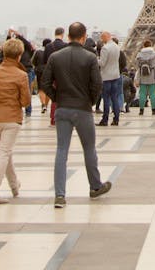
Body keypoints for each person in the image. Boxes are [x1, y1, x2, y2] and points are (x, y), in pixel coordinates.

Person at [39, 21, 111, 208]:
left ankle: (60, 195)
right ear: (84, 37)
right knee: (89, 148)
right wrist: (90, 101)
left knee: (61, 150)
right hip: (83, 109)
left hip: (63, 108)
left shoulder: (55, 57)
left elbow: (45, 83)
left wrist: (57, 99)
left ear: (69, 36)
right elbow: (97, 84)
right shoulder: (89, 57)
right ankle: (95, 186)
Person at [0, 37, 30, 205]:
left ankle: (14, 186)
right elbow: (25, 101)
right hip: (12, 118)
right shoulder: (21, 75)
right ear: (19, 55)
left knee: (6, 151)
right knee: (4, 153)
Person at [43, 27, 67, 125]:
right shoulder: (65, 45)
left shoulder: (49, 46)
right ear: (62, 34)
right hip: (64, 74)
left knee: (54, 98)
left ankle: (53, 118)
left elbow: (45, 61)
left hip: (52, 74)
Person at [97, 31, 121, 127]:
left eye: (102, 38)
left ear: (105, 37)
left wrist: (95, 59)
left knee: (106, 98)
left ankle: (105, 119)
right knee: (114, 98)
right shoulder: (116, 46)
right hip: (115, 75)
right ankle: (116, 119)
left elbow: (102, 63)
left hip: (106, 76)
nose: (101, 40)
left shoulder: (105, 48)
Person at [135, 39, 155, 115]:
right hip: (152, 76)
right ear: (151, 45)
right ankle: (153, 110)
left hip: (143, 76)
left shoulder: (139, 55)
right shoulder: (154, 54)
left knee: (142, 93)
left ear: (143, 46)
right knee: (152, 94)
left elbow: (137, 66)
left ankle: (141, 110)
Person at [33, 39, 50, 114]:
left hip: (39, 71)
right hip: (49, 71)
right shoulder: (51, 52)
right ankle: (46, 105)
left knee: (41, 89)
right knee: (48, 90)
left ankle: (43, 104)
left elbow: (33, 62)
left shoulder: (38, 52)